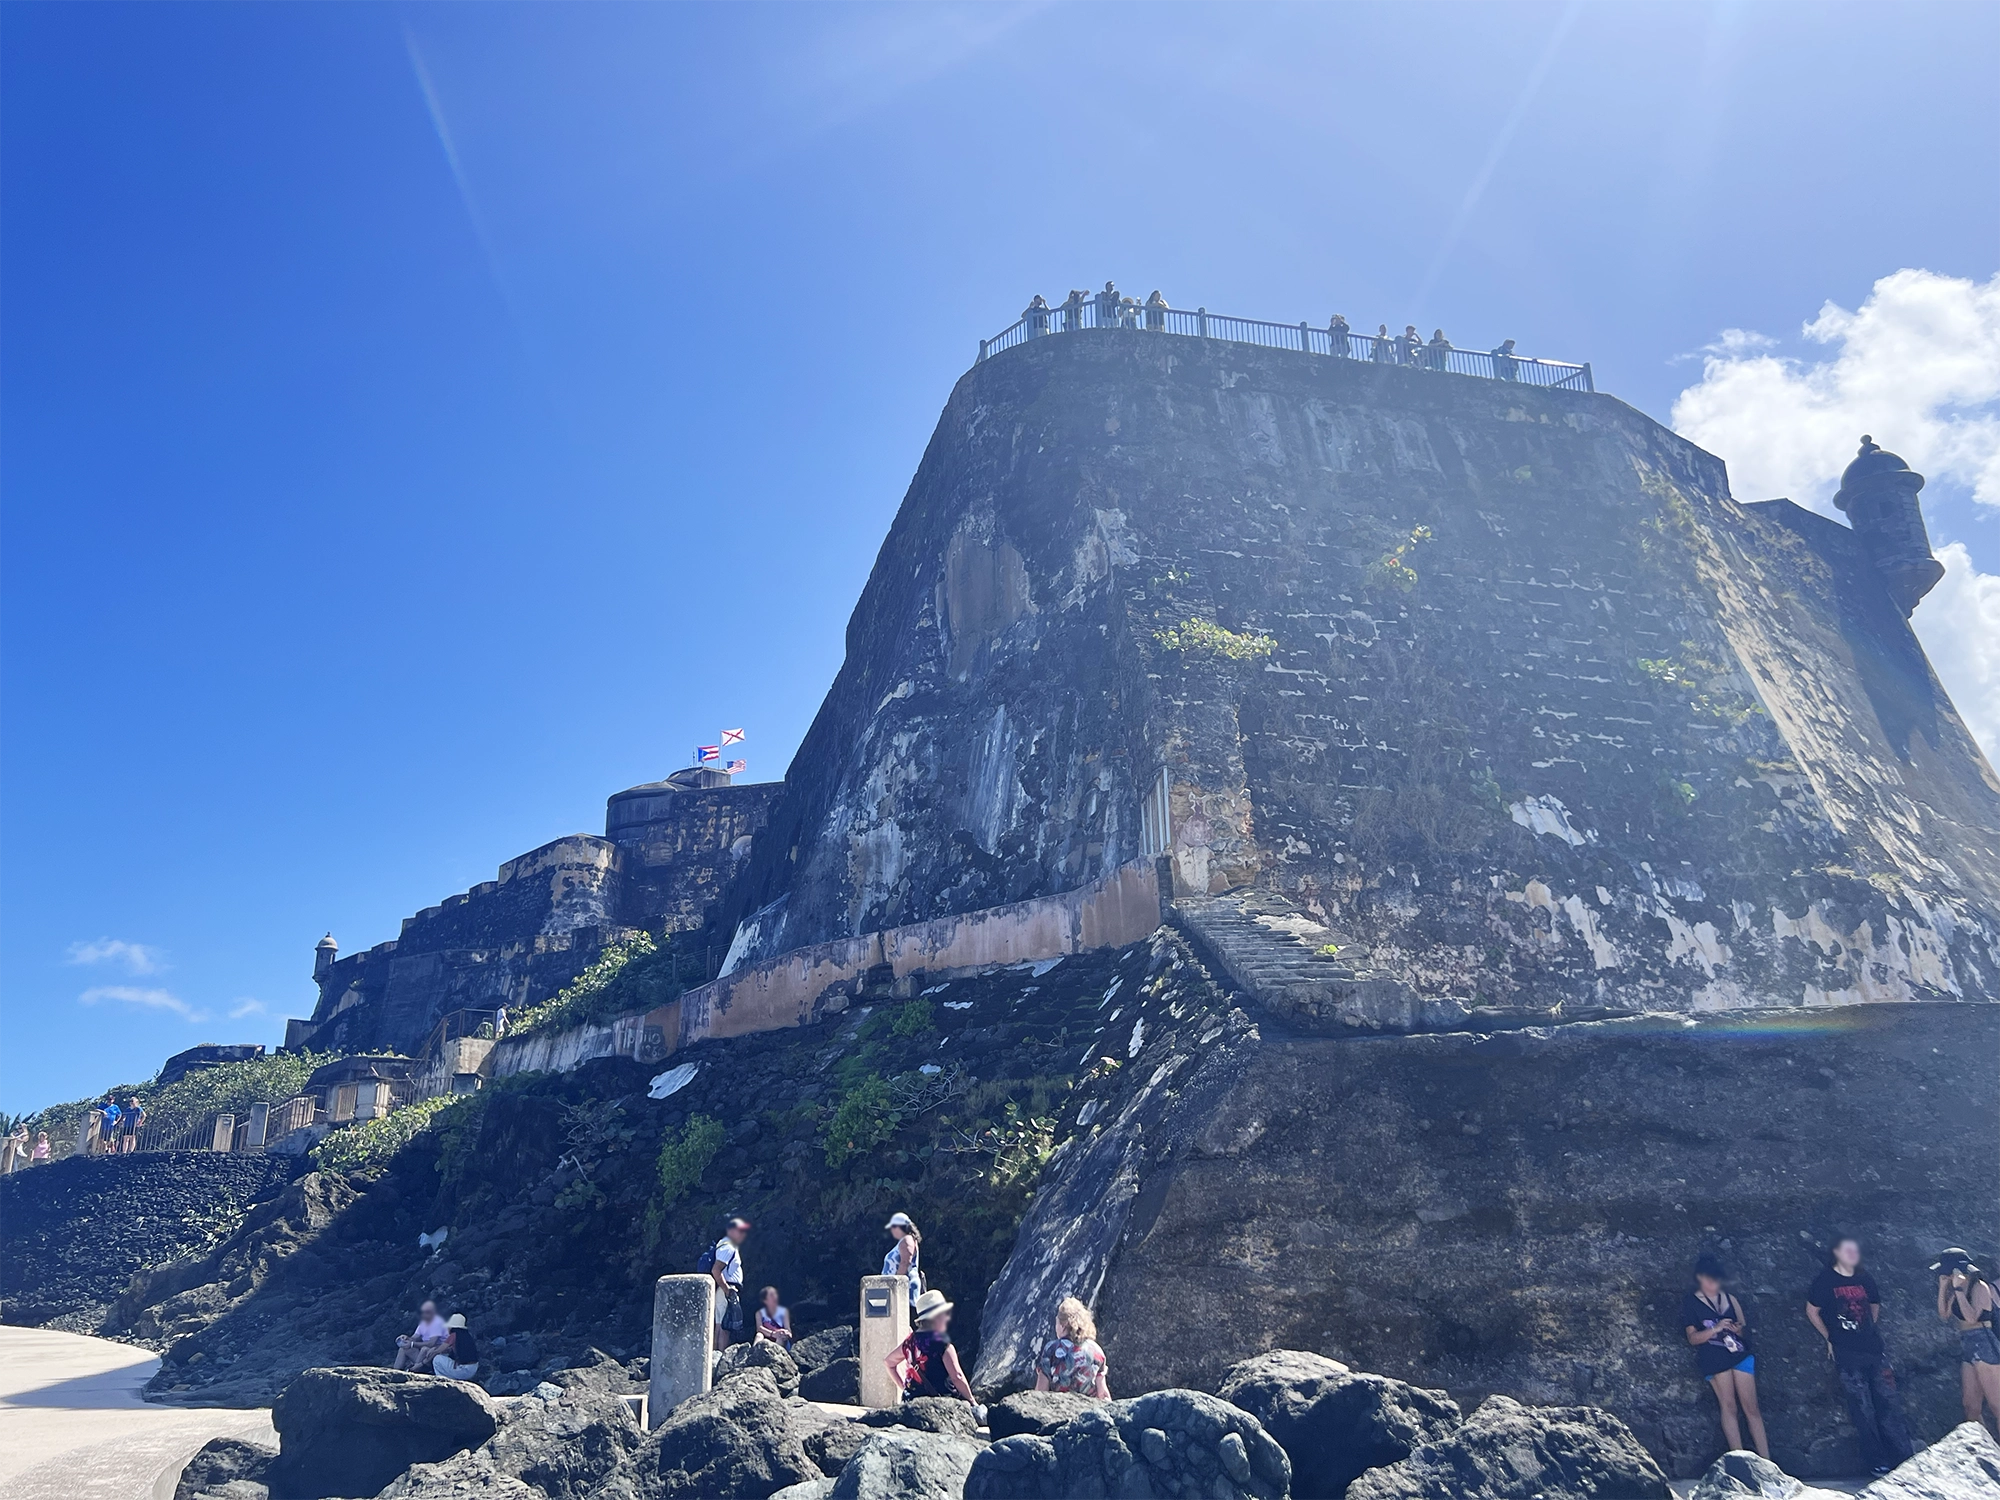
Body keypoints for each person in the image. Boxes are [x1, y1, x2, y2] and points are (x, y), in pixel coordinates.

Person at [1807, 1236, 1914, 1476]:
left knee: (1888, 1403)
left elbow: (1874, 1304)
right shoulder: (1825, 1280)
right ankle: (1877, 1461)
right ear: (1836, 1252)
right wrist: (1830, 1338)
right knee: (1862, 1409)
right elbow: (1812, 1311)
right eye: (1848, 1250)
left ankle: (1903, 1457)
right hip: (1846, 1353)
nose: (1853, 1253)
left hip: (1874, 1349)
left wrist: (1867, 1328)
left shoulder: (1864, 1277)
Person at [1682, 1253, 1767, 1458]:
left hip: (1739, 1354)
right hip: (1714, 1357)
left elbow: (1743, 1328)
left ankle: (1767, 1461)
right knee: (1729, 1405)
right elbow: (1693, 1338)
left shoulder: (1731, 1299)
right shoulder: (1691, 1303)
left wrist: (1736, 1329)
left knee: (1752, 1407)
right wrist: (1716, 1329)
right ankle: (1739, 1459)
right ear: (1700, 1278)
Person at [1933, 1248, 2000, 1439]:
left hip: (1984, 1344)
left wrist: (1960, 1291)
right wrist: (1943, 1287)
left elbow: (1972, 1318)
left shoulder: (1980, 1287)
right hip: (1968, 1346)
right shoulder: (1956, 1289)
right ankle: (1982, 1448)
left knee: (1997, 1405)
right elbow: (1944, 1314)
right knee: (1970, 1405)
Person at [886, 1289, 979, 1408]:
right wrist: (972, 1401)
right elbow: (957, 1376)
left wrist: (903, 1386)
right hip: (939, 1405)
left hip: (911, 1404)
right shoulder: (943, 1344)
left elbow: (888, 1362)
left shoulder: (909, 1342)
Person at [1034, 1296, 1111, 1398]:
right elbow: (1103, 1394)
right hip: (1088, 1410)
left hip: (1058, 1409)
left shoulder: (1051, 1349)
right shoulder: (1097, 1350)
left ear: (1063, 1325)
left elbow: (1040, 1391)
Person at [709, 1217, 750, 1351]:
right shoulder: (728, 1247)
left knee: (719, 1324)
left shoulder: (724, 1245)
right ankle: (719, 1355)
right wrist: (727, 1290)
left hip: (723, 1289)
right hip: (726, 1289)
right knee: (724, 1326)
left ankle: (715, 1355)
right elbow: (716, 1270)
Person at [395, 1300, 450, 1370]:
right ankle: (395, 1371)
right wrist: (406, 1339)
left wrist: (412, 1344)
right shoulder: (423, 1324)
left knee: (424, 1349)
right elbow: (414, 1338)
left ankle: (415, 1370)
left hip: (438, 1353)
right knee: (403, 1348)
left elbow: (431, 1343)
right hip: (423, 1355)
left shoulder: (437, 1324)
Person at [883, 1213, 922, 1306]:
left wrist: (896, 1285)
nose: (892, 1231)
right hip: (901, 1288)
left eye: (893, 1227)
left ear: (899, 1227)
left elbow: (905, 1263)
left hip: (905, 1288)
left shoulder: (907, 1240)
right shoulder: (904, 1240)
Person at [433, 1313, 481, 1381]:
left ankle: (441, 1380)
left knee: (437, 1359)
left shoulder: (453, 1336)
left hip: (462, 1370)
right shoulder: (467, 1336)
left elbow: (439, 1350)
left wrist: (424, 1360)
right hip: (473, 1369)